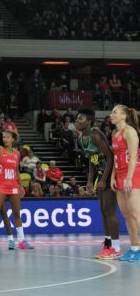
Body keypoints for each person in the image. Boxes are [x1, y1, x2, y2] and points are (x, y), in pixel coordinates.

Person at [75, 109, 121, 259]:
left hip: (110, 173)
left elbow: (110, 157)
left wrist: (103, 179)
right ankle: (107, 245)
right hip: (101, 175)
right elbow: (92, 160)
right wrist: (89, 181)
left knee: (110, 211)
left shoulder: (95, 134)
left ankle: (116, 247)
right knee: (103, 211)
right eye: (77, 118)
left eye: (80, 118)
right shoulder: (81, 139)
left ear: (88, 121)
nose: (77, 120)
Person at [0, 131, 34, 251]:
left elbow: (16, 170)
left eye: (7, 137)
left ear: (12, 140)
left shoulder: (17, 153)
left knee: (17, 214)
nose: (5, 139)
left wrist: (20, 185)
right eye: (4, 137)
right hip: (1, 185)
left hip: (14, 186)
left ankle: (21, 241)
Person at [110, 105, 140, 262]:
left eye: (115, 112)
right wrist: (113, 177)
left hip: (133, 175)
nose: (111, 115)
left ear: (123, 116)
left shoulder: (130, 132)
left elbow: (134, 157)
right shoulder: (114, 133)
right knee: (127, 215)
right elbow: (116, 157)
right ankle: (135, 249)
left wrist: (128, 178)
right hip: (120, 175)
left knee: (136, 214)